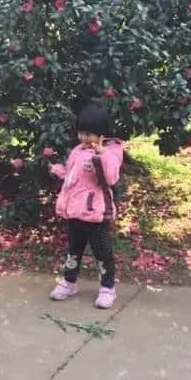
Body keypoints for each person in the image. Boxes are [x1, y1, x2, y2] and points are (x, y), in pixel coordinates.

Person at [48, 103, 124, 309]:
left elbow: (110, 178)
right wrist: (59, 171)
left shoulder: (112, 152)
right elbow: (73, 176)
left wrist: (101, 155)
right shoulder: (78, 150)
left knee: (103, 253)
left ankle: (108, 288)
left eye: (89, 134)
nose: (83, 138)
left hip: (95, 214)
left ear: (101, 134)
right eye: (81, 133)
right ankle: (69, 283)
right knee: (73, 251)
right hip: (75, 211)